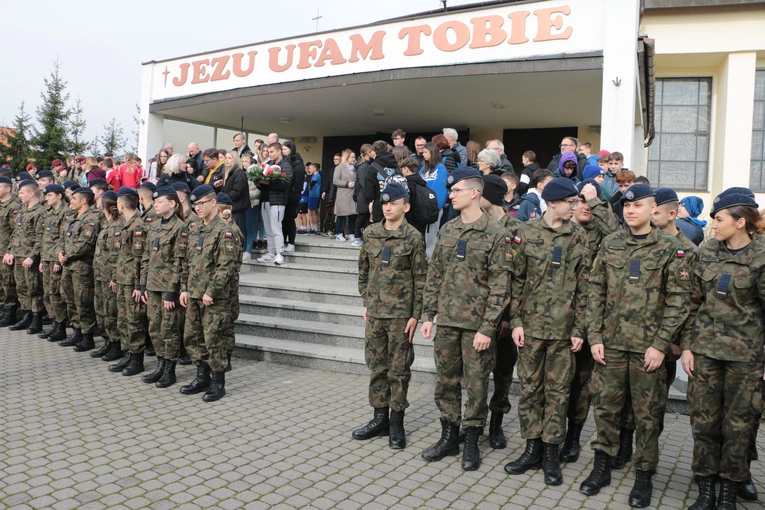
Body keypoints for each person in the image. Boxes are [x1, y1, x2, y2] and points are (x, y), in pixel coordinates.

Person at [580, 184, 690, 508]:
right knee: (605, 409)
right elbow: (595, 291)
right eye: (627, 206)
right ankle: (601, 467)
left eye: (638, 205)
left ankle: (643, 477)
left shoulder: (670, 248)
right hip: (610, 345)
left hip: (648, 350)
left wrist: (660, 344)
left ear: (653, 208)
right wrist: (595, 337)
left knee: (647, 416)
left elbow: (679, 301)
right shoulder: (611, 243)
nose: (630, 211)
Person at [419, 167, 511, 471]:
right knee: (445, 381)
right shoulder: (448, 229)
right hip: (446, 321)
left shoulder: (496, 233)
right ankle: (449, 435)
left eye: (456, 190)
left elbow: (501, 285)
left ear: (474, 193)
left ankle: (472, 440)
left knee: (475, 385)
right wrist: (428, 314)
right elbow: (435, 275)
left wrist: (488, 327)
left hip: (476, 327)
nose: (452, 195)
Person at [679, 192, 764, 510]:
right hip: (706, 353)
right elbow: (693, 303)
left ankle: (729, 492)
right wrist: (687, 346)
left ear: (740, 222)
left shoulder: (761, 257)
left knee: (738, 426)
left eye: (719, 219)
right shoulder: (706, 252)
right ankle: (706, 490)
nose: (713, 225)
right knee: (703, 422)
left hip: (746, 359)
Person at [504, 178, 588, 486]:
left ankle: (551, 455)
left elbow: (584, 286)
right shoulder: (524, 233)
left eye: (576, 201)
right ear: (552, 202)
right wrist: (516, 321)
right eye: (570, 201)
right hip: (531, 329)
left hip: (564, 331)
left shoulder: (578, 236)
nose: (575, 206)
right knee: (530, 390)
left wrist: (579, 328)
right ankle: (532, 449)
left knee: (558, 393)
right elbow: (515, 281)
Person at [354, 181, 427, 449]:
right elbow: (363, 269)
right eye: (384, 203)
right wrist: (366, 299)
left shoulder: (413, 237)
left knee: (398, 371)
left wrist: (416, 314)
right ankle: (379, 418)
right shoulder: (371, 233)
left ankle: (397, 422)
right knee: (376, 368)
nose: (387, 207)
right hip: (374, 313)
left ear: (405, 207)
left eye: (393, 203)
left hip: (400, 316)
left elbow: (421, 278)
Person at [560, 180, 620, 463]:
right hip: (560, 321)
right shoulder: (562, 230)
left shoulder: (605, 234)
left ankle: (573, 437)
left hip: (592, 322)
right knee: (559, 383)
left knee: (582, 385)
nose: (583, 206)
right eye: (579, 200)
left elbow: (618, 234)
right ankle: (551, 437)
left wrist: (597, 202)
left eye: (589, 201)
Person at [179, 185, 239, 402]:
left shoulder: (224, 231)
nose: (197, 208)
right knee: (193, 337)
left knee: (214, 339)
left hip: (214, 297)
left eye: (201, 204)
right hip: (194, 293)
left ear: (213, 202)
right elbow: (189, 261)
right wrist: (185, 289)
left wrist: (211, 291)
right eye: (194, 204)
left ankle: (218, 382)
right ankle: (201, 376)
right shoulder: (195, 228)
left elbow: (226, 266)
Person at [477, 173, 521, 449]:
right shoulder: (477, 225)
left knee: (502, 374)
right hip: (476, 316)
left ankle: (496, 425)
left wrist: (508, 318)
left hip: (503, 320)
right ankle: (474, 424)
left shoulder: (516, 229)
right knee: (476, 375)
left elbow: (516, 279)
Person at [139, 187, 188, 389]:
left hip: (168, 287)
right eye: (156, 201)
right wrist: (142, 284)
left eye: (160, 201)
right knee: (154, 327)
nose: (156, 204)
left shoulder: (180, 228)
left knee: (169, 329)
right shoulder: (154, 226)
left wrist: (172, 291)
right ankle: (160, 364)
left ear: (173, 204)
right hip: (152, 285)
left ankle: (170, 369)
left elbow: (180, 262)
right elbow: (146, 256)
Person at [107, 187, 149, 372]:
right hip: (123, 280)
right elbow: (122, 256)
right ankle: (128, 354)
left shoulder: (138, 226)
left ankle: (137, 359)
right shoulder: (126, 224)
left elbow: (140, 259)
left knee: (134, 321)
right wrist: (116, 278)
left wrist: (140, 285)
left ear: (121, 204)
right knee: (123, 319)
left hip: (132, 282)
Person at [57, 186, 101, 353]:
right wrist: (59, 253)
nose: (71, 201)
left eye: (74, 198)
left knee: (83, 302)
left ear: (84, 201)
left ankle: (87, 336)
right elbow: (62, 239)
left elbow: (84, 244)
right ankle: (76, 331)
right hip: (68, 266)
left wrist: (66, 254)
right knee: (69, 298)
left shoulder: (91, 220)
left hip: (82, 268)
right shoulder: (71, 218)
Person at [4, 179, 45, 335]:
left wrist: (33, 256)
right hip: (19, 256)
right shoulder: (23, 211)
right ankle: (27, 315)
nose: (19, 195)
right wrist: (11, 251)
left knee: (34, 289)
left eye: (21, 193)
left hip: (29, 258)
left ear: (31, 193)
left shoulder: (40, 213)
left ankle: (36, 318)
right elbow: (16, 234)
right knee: (22, 288)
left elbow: (40, 237)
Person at [214, 193, 243, 372]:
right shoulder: (227, 227)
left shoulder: (229, 230)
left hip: (227, 286)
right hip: (227, 284)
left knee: (225, 324)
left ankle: (225, 358)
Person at [37, 184, 70, 343]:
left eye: (49, 195)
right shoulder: (49, 213)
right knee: (48, 293)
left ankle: (61, 326)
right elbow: (45, 239)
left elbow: (63, 239)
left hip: (56, 259)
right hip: (47, 258)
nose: (46, 198)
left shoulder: (66, 213)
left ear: (59, 195)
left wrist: (58, 259)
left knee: (57, 293)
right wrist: (43, 259)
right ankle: (55, 323)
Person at [90, 190, 121, 357]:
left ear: (102, 206)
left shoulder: (116, 226)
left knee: (111, 312)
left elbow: (117, 255)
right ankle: (108, 341)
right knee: (102, 310)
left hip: (110, 277)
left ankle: (116, 344)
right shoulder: (107, 223)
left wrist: (115, 277)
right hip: (101, 275)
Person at [257, 142, 292, 265]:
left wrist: (269, 183)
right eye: (268, 151)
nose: (269, 154)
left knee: (276, 228)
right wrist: (259, 183)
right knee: (268, 229)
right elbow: (265, 185)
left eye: (271, 152)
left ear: (279, 151)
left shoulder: (285, 164)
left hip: (277, 201)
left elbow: (286, 184)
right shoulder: (269, 164)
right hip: (266, 200)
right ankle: (271, 252)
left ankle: (279, 254)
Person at [419, 142, 448, 258]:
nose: (423, 155)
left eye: (426, 152)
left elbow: (441, 189)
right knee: (423, 236)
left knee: (431, 236)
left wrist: (436, 206)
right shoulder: (423, 169)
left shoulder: (441, 168)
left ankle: (431, 260)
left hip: (433, 207)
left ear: (432, 152)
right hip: (421, 207)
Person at [365, 140, 401, 224]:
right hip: (396, 205)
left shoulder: (372, 168)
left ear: (374, 151)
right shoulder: (396, 166)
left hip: (380, 207)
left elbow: (369, 194)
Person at [0, 176, 20, 327]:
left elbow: (17, 232)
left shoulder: (14, 206)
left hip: (6, 250)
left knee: (8, 282)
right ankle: (2, 308)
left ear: (8, 189)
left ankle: (10, 312)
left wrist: (11, 250)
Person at [281, 141, 305, 252]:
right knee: (284, 219)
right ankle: (284, 241)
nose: (283, 152)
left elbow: (296, 180)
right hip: (286, 194)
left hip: (293, 195)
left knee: (289, 219)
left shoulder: (297, 162)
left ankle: (291, 242)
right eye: (282, 149)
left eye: (285, 149)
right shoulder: (286, 161)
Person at [219, 151, 249, 240]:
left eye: (229, 158)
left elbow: (237, 192)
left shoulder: (239, 173)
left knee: (236, 234)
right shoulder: (228, 173)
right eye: (226, 158)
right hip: (229, 208)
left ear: (235, 160)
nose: (227, 160)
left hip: (237, 208)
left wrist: (223, 198)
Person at [399, 157, 431, 237]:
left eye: (402, 170)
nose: (402, 172)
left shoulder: (407, 184)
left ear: (406, 169)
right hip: (422, 220)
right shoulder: (423, 183)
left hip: (410, 222)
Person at [333, 149, 357, 242]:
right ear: (346, 157)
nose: (354, 159)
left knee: (352, 215)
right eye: (352, 157)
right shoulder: (339, 168)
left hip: (352, 195)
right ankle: (339, 234)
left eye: (354, 157)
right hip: (343, 194)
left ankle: (351, 233)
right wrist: (347, 183)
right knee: (341, 215)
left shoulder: (355, 168)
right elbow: (335, 180)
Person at [352, 145, 373, 245]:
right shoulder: (364, 167)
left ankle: (361, 236)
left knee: (364, 216)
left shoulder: (365, 166)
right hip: (363, 195)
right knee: (362, 215)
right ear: (368, 152)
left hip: (362, 195)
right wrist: (370, 197)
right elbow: (365, 184)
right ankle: (357, 237)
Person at [307, 163, 322, 235]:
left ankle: (315, 228)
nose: (309, 170)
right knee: (311, 211)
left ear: (315, 169)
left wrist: (309, 186)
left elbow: (311, 183)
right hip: (311, 195)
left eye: (311, 168)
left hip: (314, 195)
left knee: (313, 211)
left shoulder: (317, 176)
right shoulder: (313, 175)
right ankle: (313, 227)